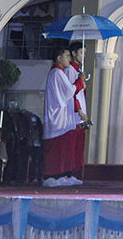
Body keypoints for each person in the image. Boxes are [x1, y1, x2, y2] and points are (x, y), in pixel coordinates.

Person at [42, 45, 85, 187]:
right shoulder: (56, 73)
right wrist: (80, 81)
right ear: (59, 58)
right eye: (67, 56)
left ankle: (62, 174)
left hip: (63, 118)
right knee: (55, 149)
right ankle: (50, 176)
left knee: (63, 149)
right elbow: (68, 92)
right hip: (57, 117)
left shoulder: (59, 73)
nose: (69, 59)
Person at [64, 41, 90, 180]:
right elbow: (70, 93)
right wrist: (79, 111)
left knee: (79, 145)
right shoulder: (69, 70)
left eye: (85, 53)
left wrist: (82, 83)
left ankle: (75, 173)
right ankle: (69, 173)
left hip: (80, 114)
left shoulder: (78, 72)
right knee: (73, 144)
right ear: (74, 53)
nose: (83, 56)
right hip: (74, 114)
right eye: (81, 53)